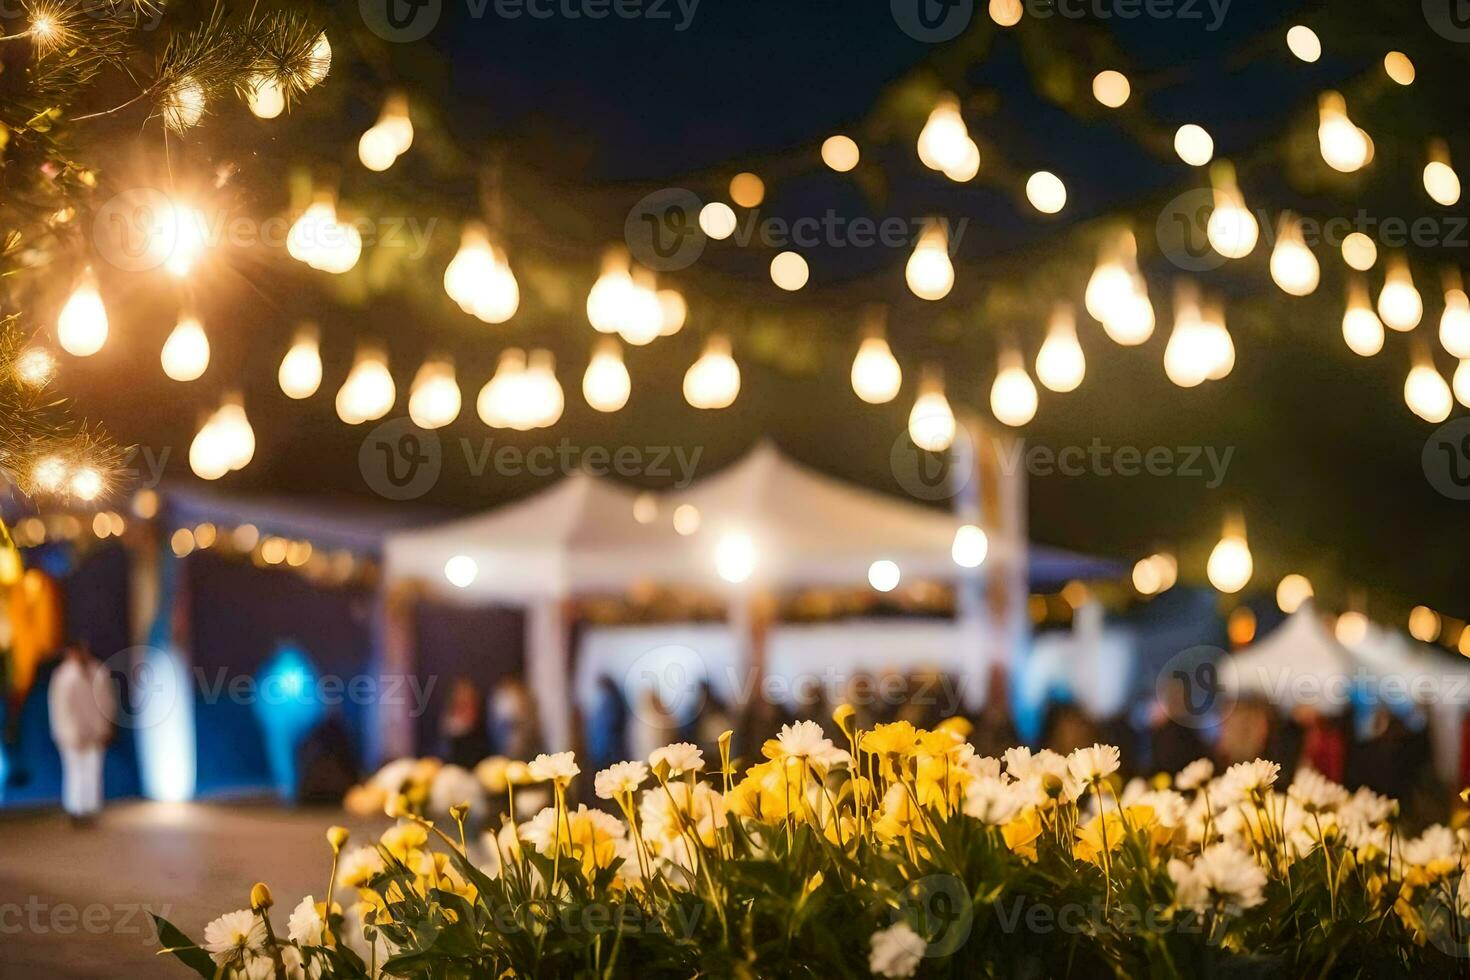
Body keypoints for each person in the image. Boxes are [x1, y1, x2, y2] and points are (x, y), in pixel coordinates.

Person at [47, 644, 115, 825]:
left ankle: (90, 809)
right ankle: (76, 810)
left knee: (93, 770)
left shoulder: (98, 672)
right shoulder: (63, 676)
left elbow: (106, 703)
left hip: (95, 732)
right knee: (74, 771)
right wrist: (66, 734)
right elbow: (60, 709)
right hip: (71, 735)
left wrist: (104, 728)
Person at [440, 676, 490, 769]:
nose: (464, 708)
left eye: (467, 703)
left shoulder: (481, 731)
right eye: (460, 703)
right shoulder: (449, 727)